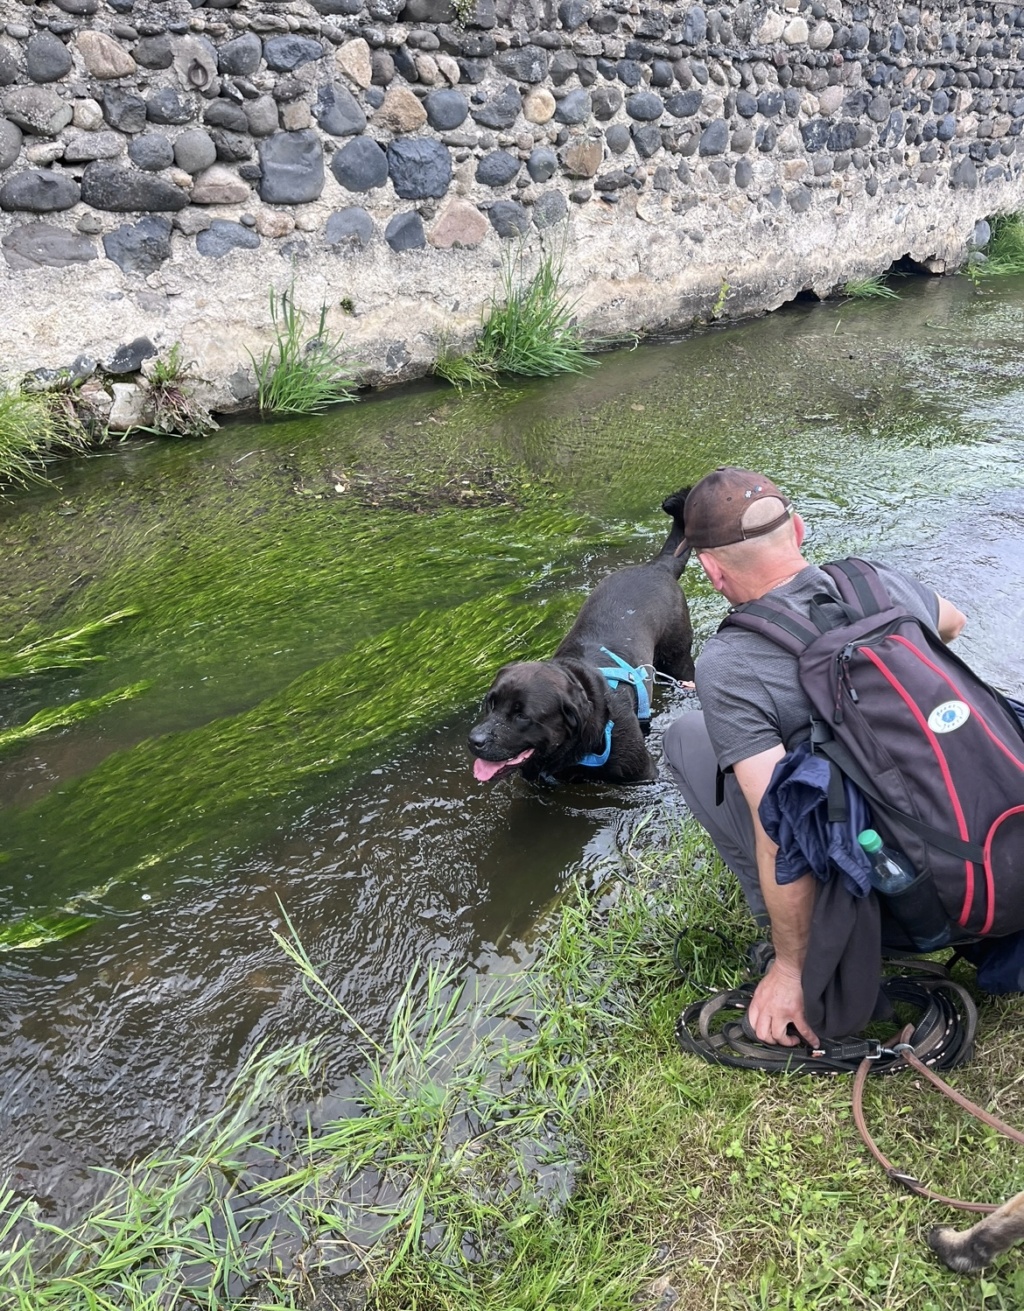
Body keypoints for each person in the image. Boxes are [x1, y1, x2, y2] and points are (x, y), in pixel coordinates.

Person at [662, 467, 967, 1050]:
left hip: (904, 902)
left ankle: (801, 941)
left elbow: (781, 830)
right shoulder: (873, 581)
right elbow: (952, 622)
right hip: (978, 854)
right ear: (798, 530)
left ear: (711, 569)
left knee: (686, 736)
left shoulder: (729, 664)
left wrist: (792, 970)